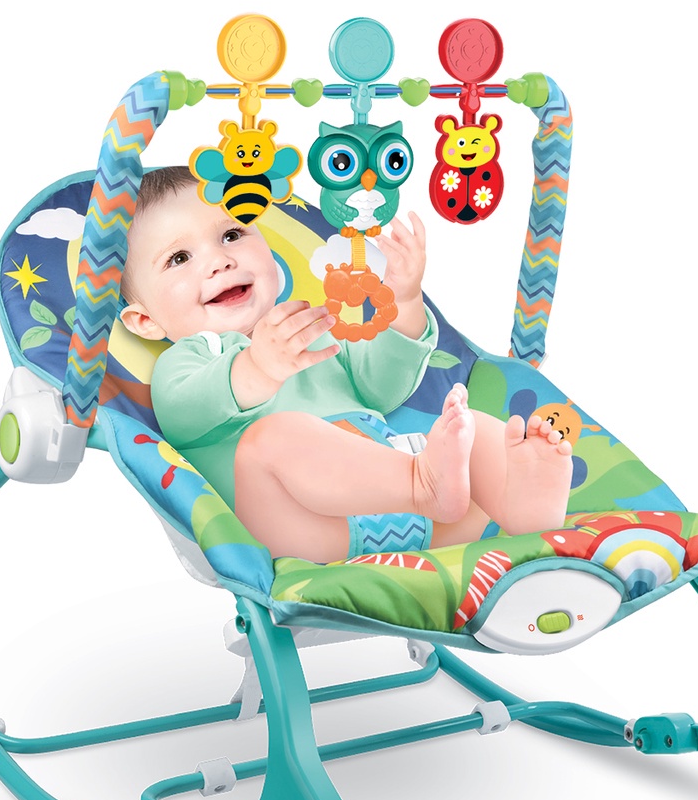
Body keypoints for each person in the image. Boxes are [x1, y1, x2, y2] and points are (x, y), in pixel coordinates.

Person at [119, 166, 573, 563]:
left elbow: (383, 386)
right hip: (298, 532)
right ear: (145, 321)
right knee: (272, 438)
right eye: (179, 258)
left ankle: (525, 510)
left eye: (232, 235)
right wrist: (259, 366)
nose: (220, 260)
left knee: (472, 429)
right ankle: (423, 483)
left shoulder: (317, 326)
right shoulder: (186, 362)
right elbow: (188, 411)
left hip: (408, 507)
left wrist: (404, 300)